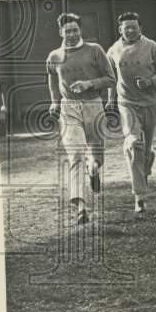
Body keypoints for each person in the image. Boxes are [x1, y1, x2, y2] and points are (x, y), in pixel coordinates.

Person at [45, 13, 116, 226]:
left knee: (96, 159)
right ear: (61, 33)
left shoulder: (95, 50)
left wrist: (89, 84)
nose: (72, 34)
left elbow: (111, 79)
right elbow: (51, 76)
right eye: (68, 31)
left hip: (93, 105)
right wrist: (54, 102)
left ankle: (94, 171)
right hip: (69, 109)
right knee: (75, 155)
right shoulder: (54, 56)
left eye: (75, 30)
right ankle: (81, 208)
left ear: (80, 30)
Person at [106, 12, 156, 216]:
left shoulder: (152, 46)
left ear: (140, 27)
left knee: (146, 150)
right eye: (127, 27)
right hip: (127, 103)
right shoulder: (113, 50)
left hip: (150, 103)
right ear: (120, 30)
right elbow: (111, 78)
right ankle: (139, 197)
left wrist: (150, 81)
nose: (131, 30)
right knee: (134, 143)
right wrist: (110, 100)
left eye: (134, 26)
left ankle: (147, 162)